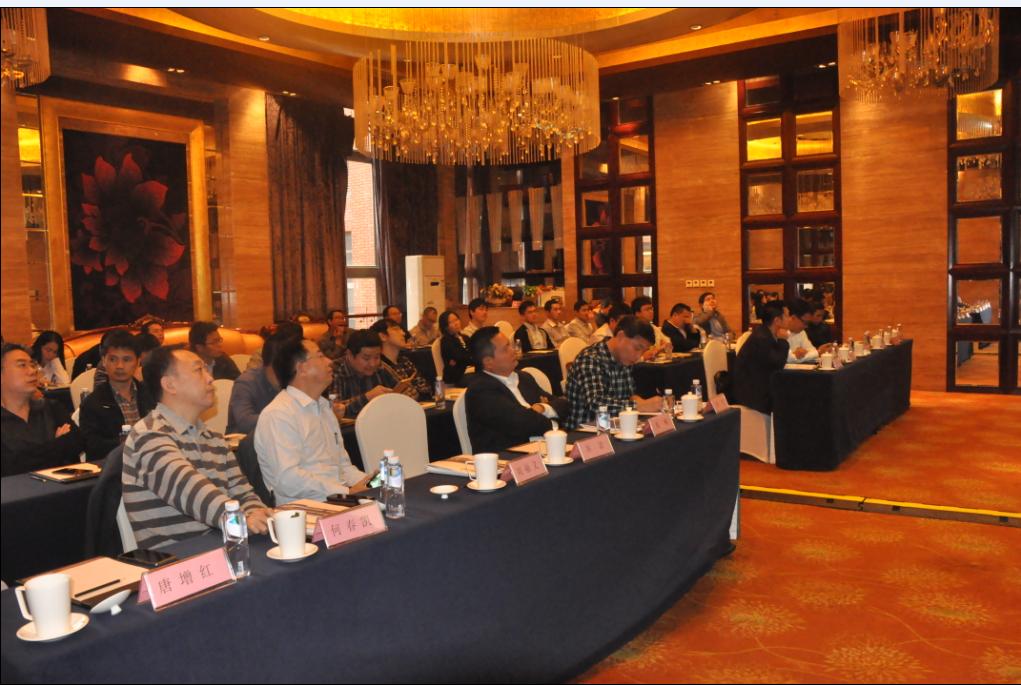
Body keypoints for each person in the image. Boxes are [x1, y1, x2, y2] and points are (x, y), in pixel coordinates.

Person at [122, 346, 271, 549]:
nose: (210, 378)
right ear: (170, 385)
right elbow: (187, 489)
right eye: (199, 370)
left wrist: (257, 515)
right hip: (177, 557)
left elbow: (242, 493)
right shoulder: (148, 435)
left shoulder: (214, 439)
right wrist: (240, 520)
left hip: (222, 546)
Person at [254, 338, 370, 504]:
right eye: (320, 356)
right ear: (302, 368)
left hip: (337, 498)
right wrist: (346, 492)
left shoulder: (324, 407)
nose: (329, 361)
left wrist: (370, 483)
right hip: (305, 508)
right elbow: (288, 479)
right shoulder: (279, 414)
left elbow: (342, 467)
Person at [465, 327, 569, 452]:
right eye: (506, 349)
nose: (513, 350)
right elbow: (523, 423)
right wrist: (552, 420)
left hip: (544, 448)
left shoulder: (524, 377)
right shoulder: (481, 390)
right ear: (488, 362)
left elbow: (564, 405)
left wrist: (542, 408)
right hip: (508, 458)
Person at [1, 343, 84, 477]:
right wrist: (56, 444)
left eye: (32, 365)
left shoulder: (51, 408)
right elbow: (11, 466)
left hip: (61, 486)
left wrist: (32, 455)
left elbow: (76, 444)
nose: (32, 371)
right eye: (22, 365)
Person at [564, 316, 662, 429]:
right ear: (620, 336)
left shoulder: (624, 359)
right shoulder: (590, 359)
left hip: (614, 427)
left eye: (643, 351)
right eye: (637, 348)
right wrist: (639, 406)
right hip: (584, 431)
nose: (638, 356)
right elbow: (596, 403)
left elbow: (630, 396)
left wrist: (643, 403)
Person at [79, 330, 155, 461]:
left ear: (138, 362)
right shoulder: (93, 403)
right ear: (103, 361)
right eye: (113, 359)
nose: (120, 366)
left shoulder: (151, 395)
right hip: (113, 466)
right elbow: (91, 446)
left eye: (127, 359)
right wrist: (124, 443)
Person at [226, 329, 296, 435]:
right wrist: (285, 418)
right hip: (245, 441)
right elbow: (244, 422)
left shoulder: (295, 380)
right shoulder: (246, 382)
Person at [332, 329, 409, 417]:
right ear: (349, 355)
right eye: (366, 358)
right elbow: (333, 410)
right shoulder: (334, 371)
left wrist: (403, 394)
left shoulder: (380, 367)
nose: (373, 364)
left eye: (377, 357)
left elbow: (401, 389)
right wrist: (367, 397)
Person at [732, 300, 791, 414]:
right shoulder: (762, 338)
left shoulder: (766, 332)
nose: (790, 319)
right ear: (777, 321)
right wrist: (783, 341)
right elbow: (778, 363)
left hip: (760, 386)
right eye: (787, 316)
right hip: (752, 394)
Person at [371, 318, 431, 401]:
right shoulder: (378, 366)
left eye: (401, 330)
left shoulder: (405, 361)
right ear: (383, 336)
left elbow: (425, 389)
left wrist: (417, 394)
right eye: (396, 329)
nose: (403, 333)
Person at [439, 309, 473, 386]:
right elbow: (460, 357)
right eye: (451, 322)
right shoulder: (446, 341)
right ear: (445, 327)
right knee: (483, 379)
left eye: (456, 319)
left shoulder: (465, 337)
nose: (456, 323)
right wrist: (471, 357)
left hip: (469, 371)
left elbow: (474, 352)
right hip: (457, 376)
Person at [784, 299, 821, 364]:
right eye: (805, 322)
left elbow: (812, 351)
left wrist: (815, 353)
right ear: (793, 318)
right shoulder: (779, 333)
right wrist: (818, 352)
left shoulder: (801, 332)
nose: (806, 326)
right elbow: (789, 359)